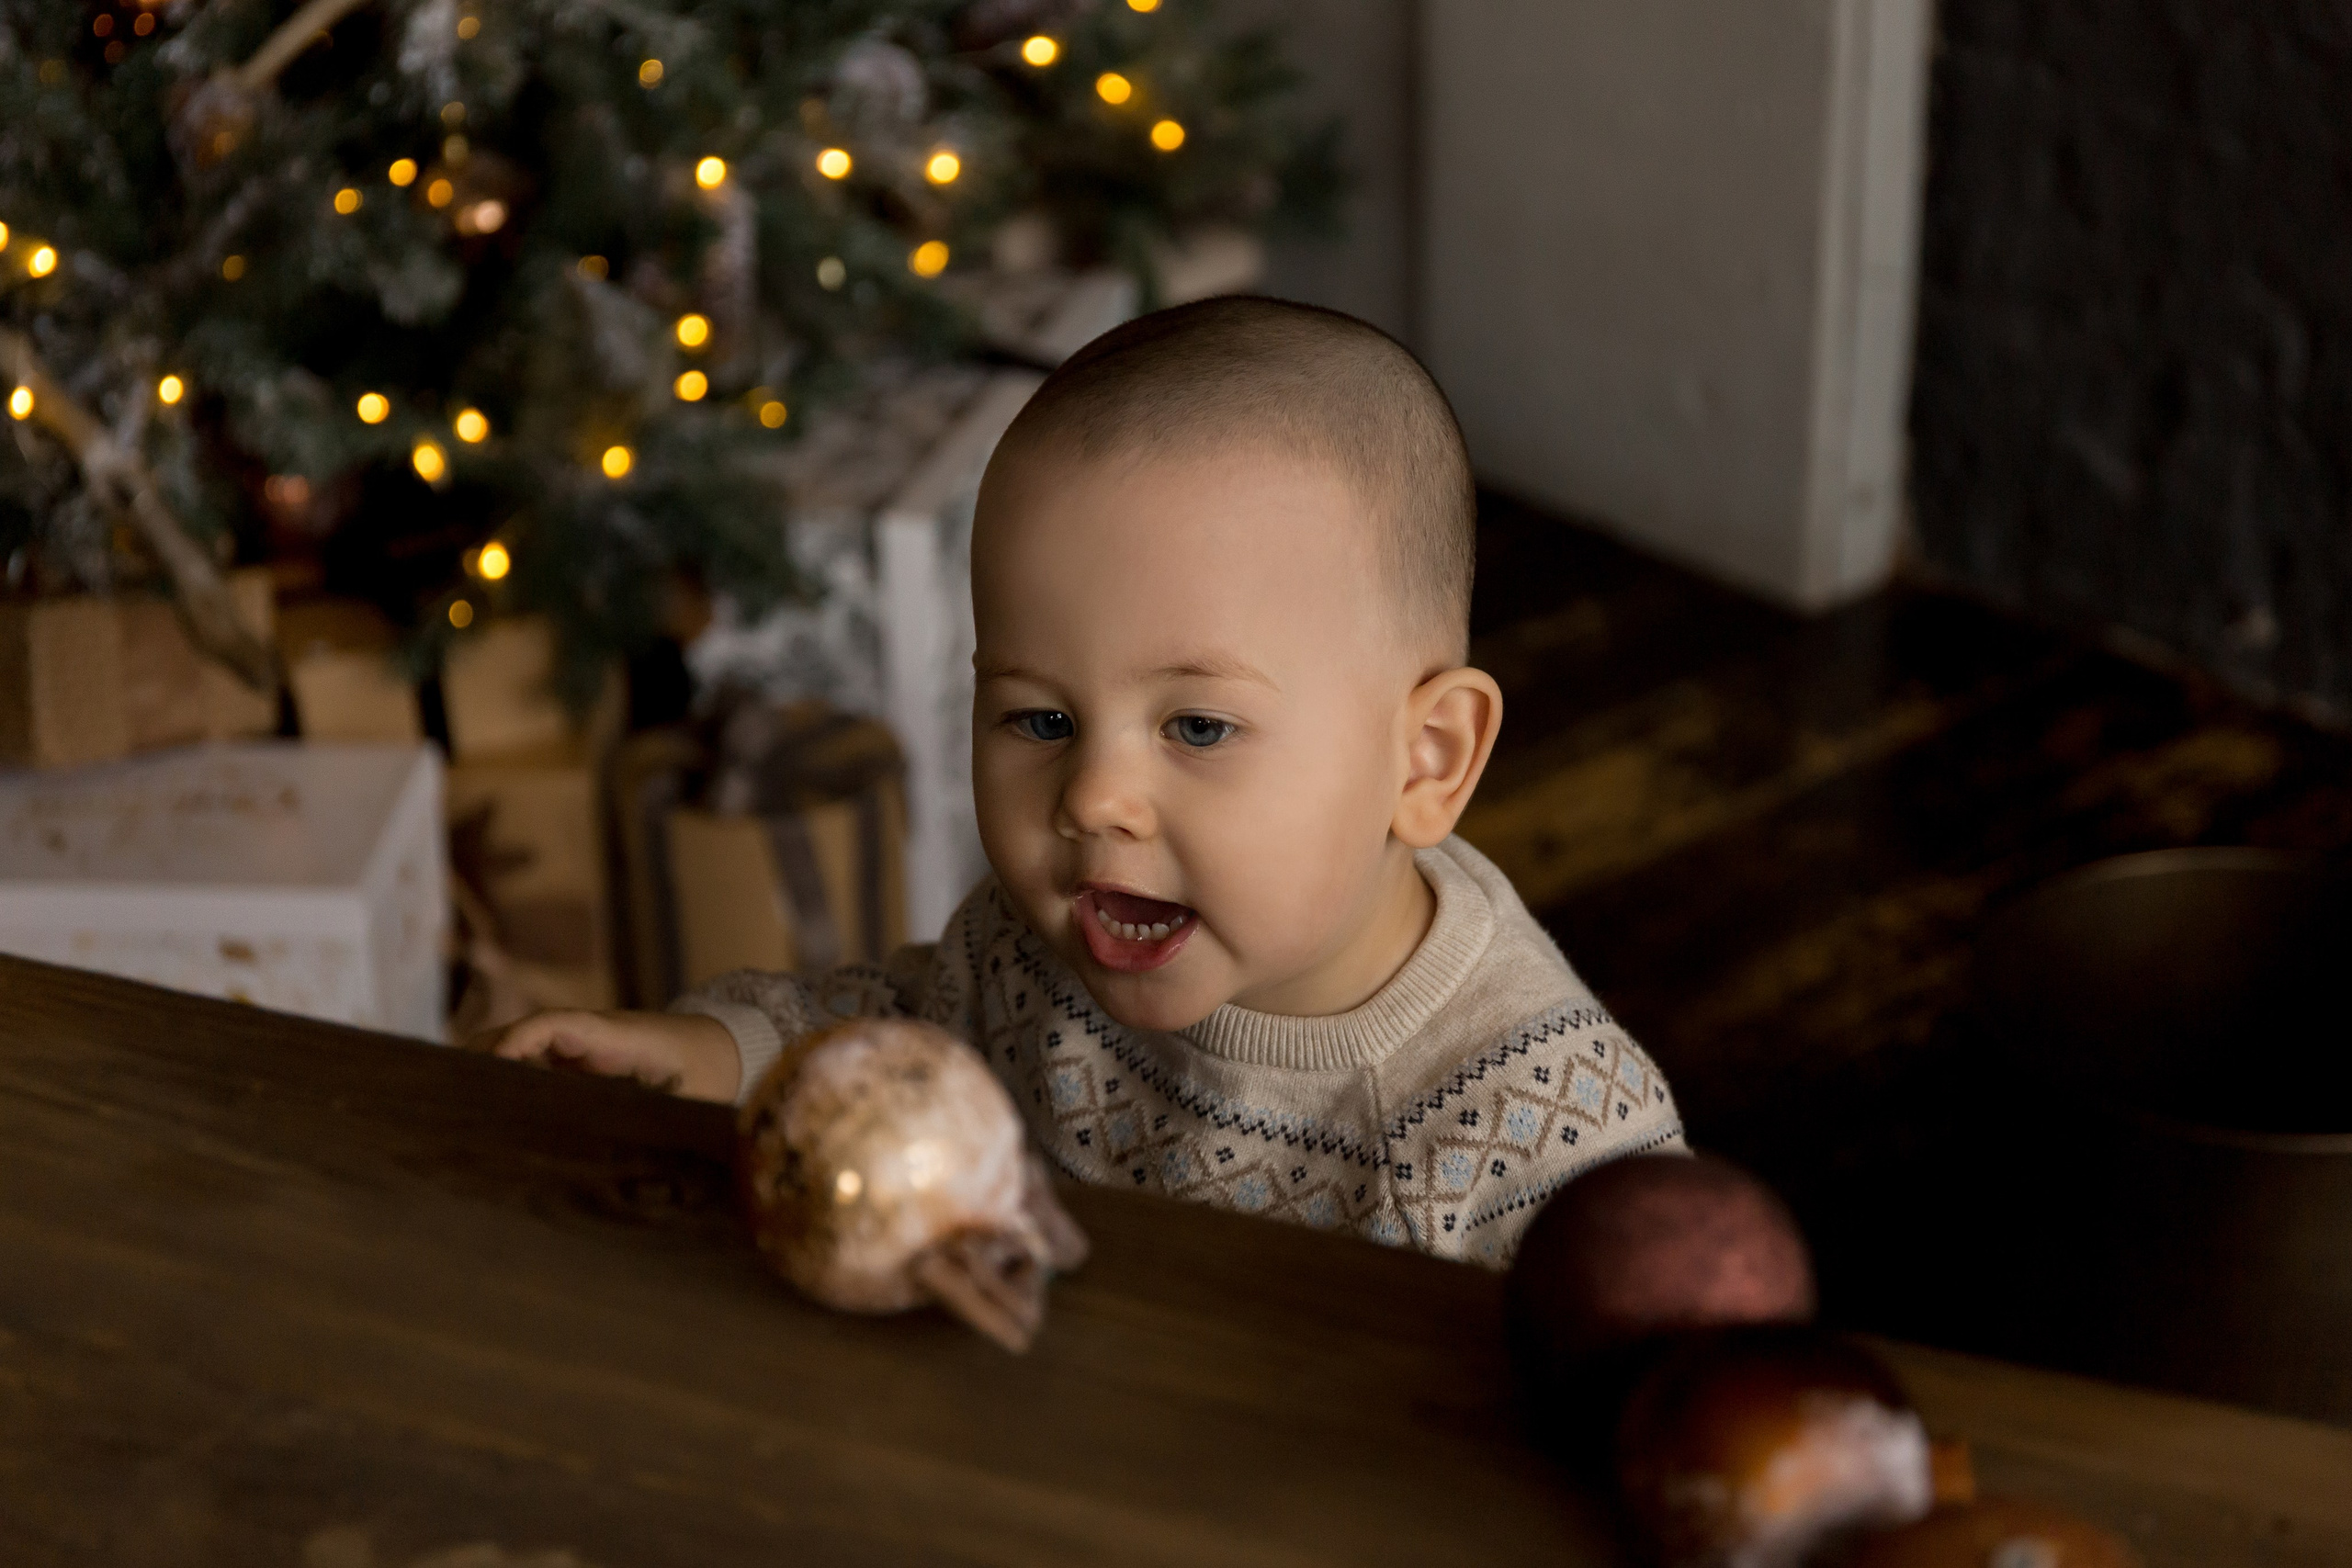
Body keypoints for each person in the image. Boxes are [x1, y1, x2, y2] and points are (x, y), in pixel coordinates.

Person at [478, 297, 1685, 1267]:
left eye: (1200, 726)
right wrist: (703, 1058)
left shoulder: (1542, 1141)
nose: (1091, 796)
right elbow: (904, 1044)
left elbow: (1633, 1407)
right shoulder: (1042, 953)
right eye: (1040, 717)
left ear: (1426, 761)